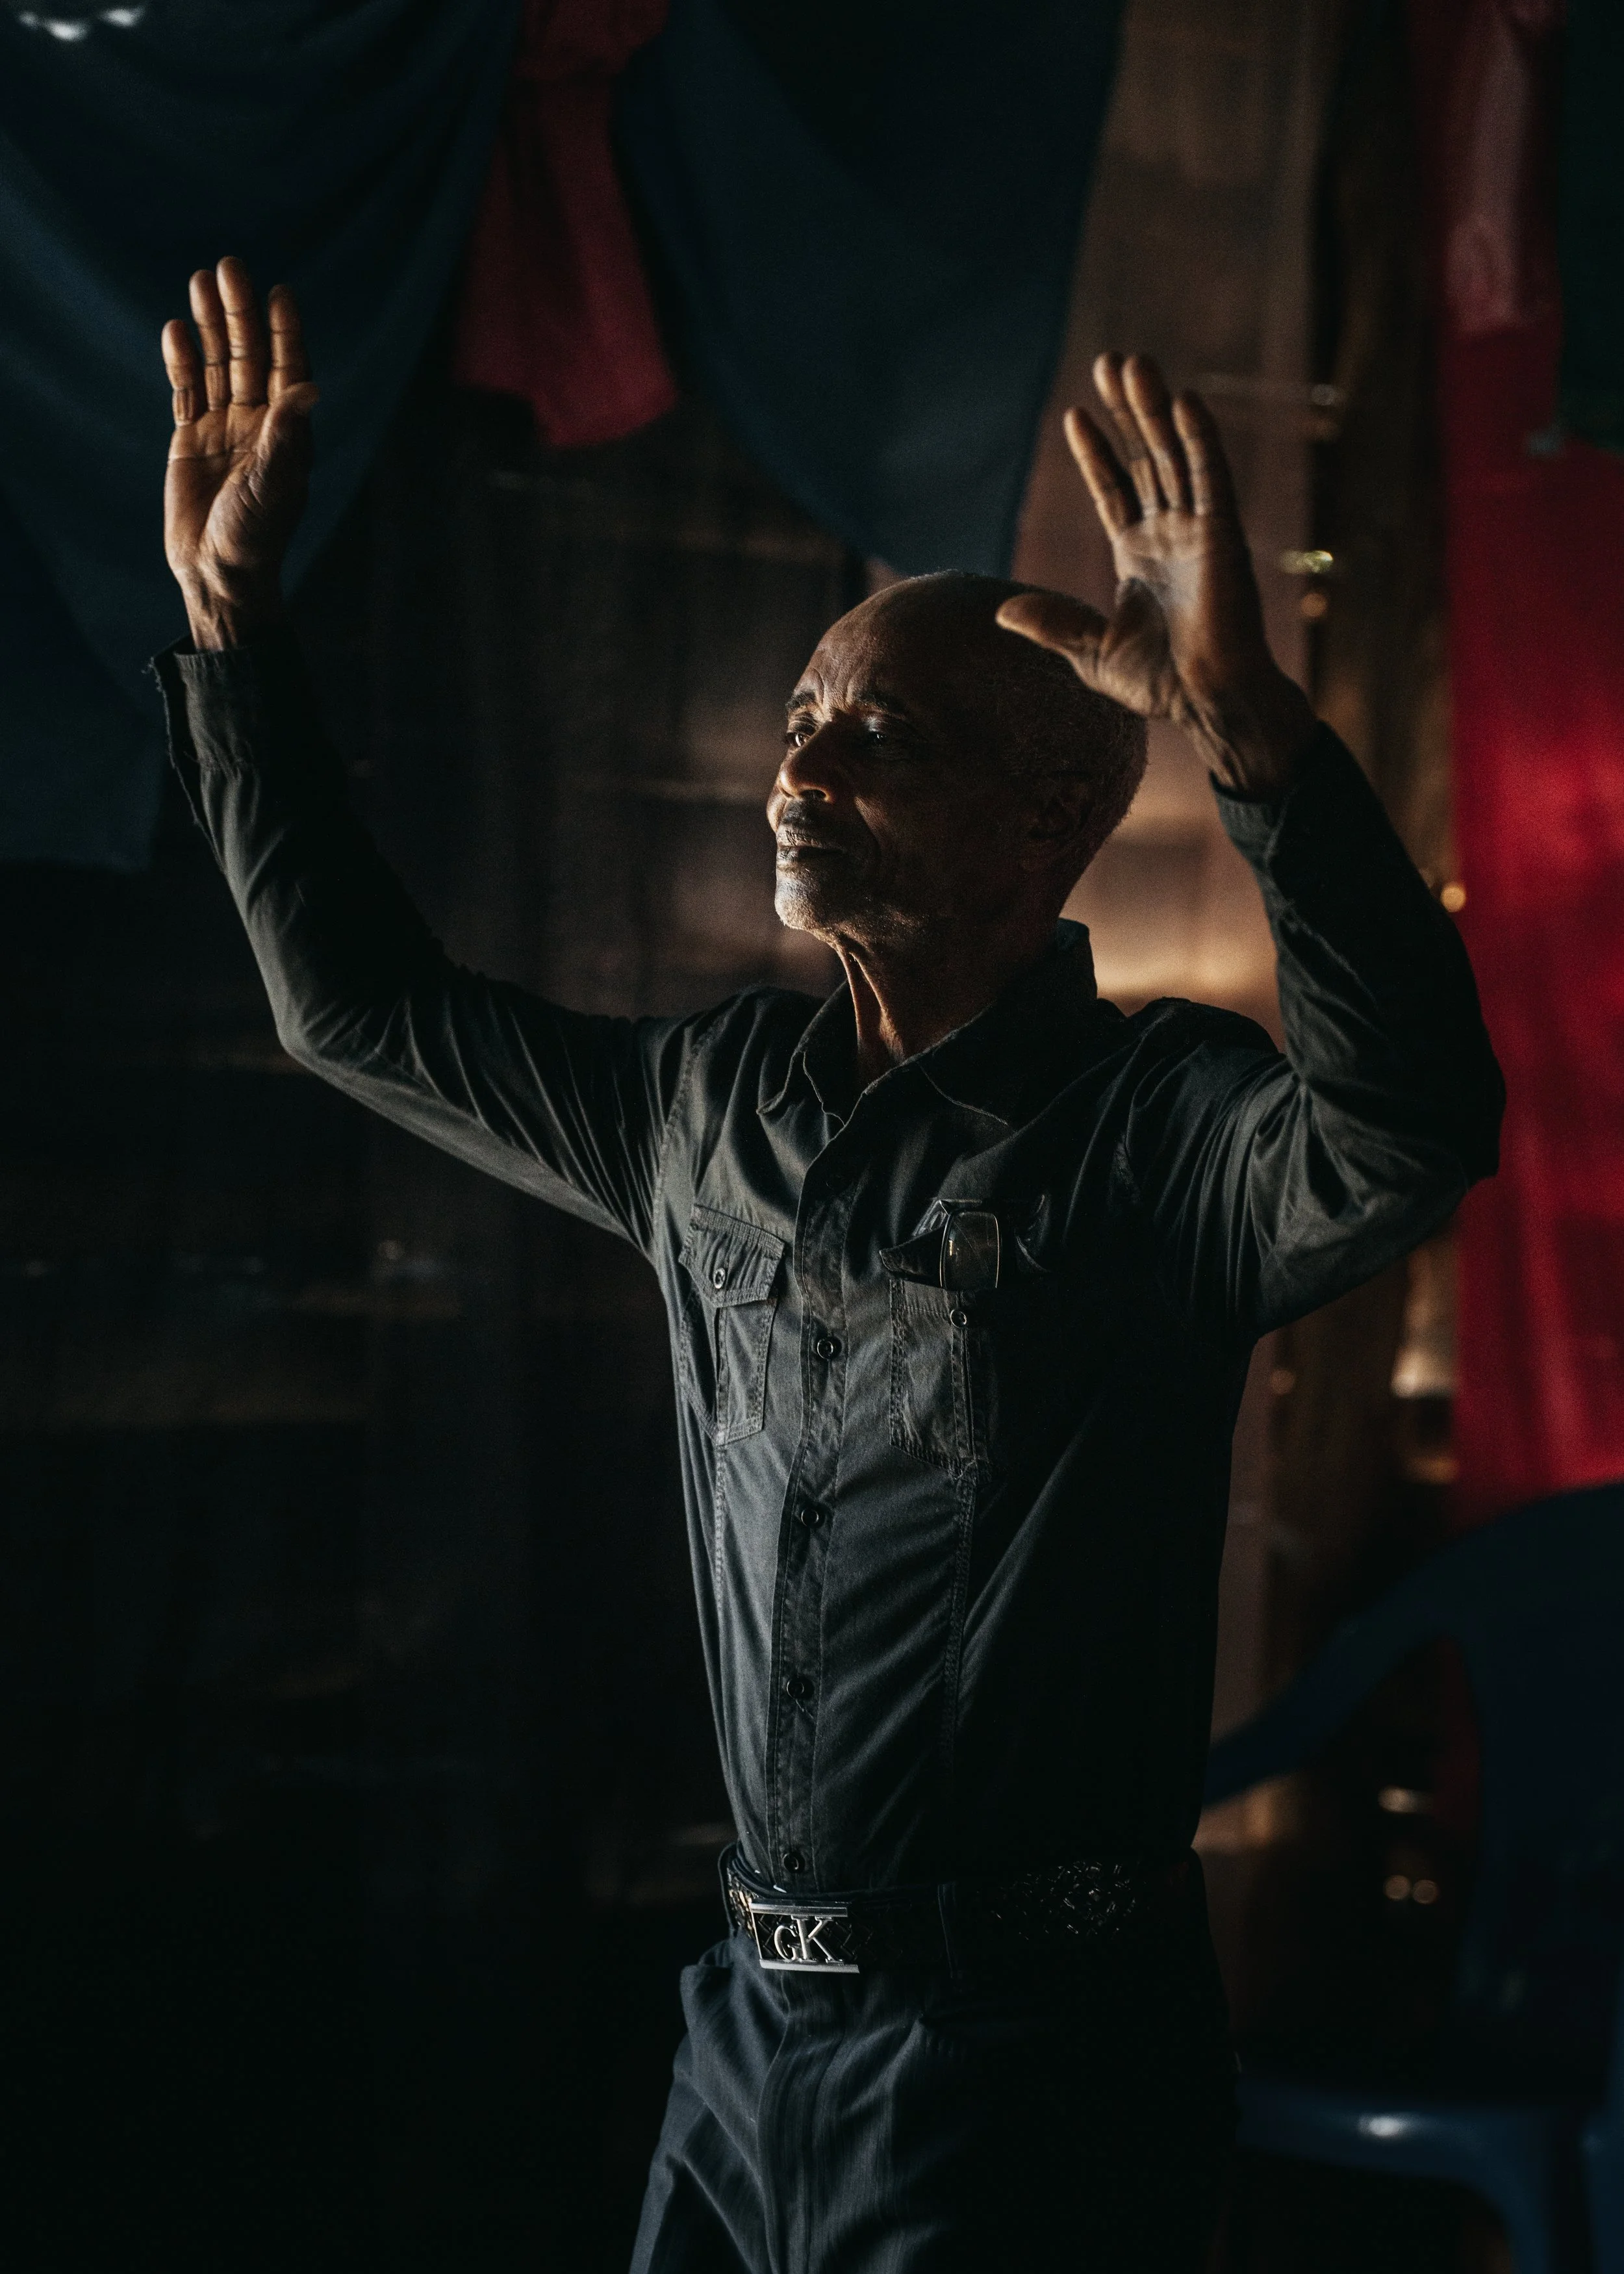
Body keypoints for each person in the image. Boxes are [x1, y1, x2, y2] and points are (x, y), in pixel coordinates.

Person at [155, 257, 1503, 2272]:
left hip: (1032, 2058)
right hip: (744, 2033)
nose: (798, 766)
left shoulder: (1155, 1131)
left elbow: (1409, 1125)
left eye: (873, 733)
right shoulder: (706, 1108)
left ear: (1051, 808)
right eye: (801, 717)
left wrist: (1243, 726)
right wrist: (230, 628)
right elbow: (355, 1010)